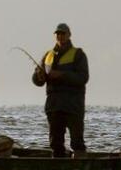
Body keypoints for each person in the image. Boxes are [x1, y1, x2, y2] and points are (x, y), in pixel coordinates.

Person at [32, 22, 89, 157]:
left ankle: (80, 166)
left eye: (63, 34)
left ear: (69, 35)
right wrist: (39, 76)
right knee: (56, 143)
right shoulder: (48, 55)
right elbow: (36, 80)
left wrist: (62, 74)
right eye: (58, 34)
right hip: (54, 106)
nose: (60, 36)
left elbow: (83, 78)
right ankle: (59, 165)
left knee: (77, 142)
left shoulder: (78, 54)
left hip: (73, 106)